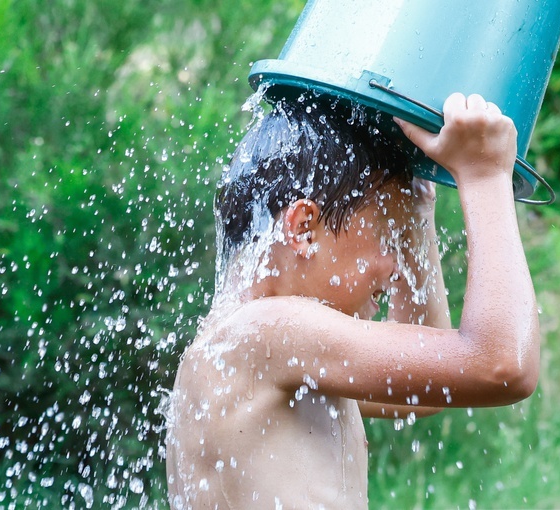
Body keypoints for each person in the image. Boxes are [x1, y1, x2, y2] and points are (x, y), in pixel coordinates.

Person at [165, 92, 540, 509]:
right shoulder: (273, 331)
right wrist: (486, 177)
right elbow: (501, 364)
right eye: (386, 237)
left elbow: (427, 390)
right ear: (304, 229)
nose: (396, 267)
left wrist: (417, 211)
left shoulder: (236, 348)